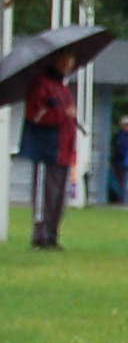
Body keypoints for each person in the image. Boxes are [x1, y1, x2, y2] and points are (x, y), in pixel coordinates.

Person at [20, 51, 78, 249]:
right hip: (46, 149)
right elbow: (36, 115)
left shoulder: (62, 87)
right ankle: (40, 236)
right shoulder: (41, 83)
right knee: (45, 194)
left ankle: (52, 235)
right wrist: (63, 113)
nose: (71, 64)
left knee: (59, 197)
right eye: (68, 60)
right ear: (58, 61)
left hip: (63, 150)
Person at [109, 115, 128, 204]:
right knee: (117, 182)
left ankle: (125, 199)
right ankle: (122, 198)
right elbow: (116, 149)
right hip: (119, 162)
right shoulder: (118, 136)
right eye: (125, 125)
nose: (127, 127)